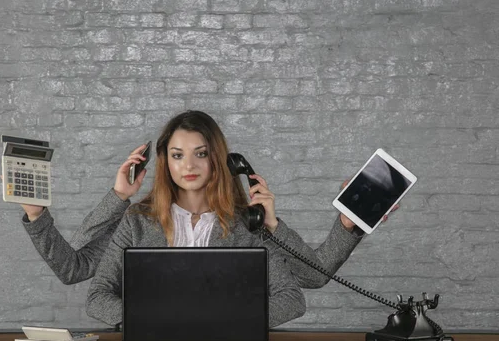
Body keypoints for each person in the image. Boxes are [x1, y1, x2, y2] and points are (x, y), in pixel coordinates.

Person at [70, 110, 366, 328]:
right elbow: (97, 297)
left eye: (201, 153)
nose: (188, 164)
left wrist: (228, 319)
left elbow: (294, 296)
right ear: (165, 162)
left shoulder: (246, 224)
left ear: (218, 159)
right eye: (177, 155)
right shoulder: (137, 221)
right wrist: (152, 319)